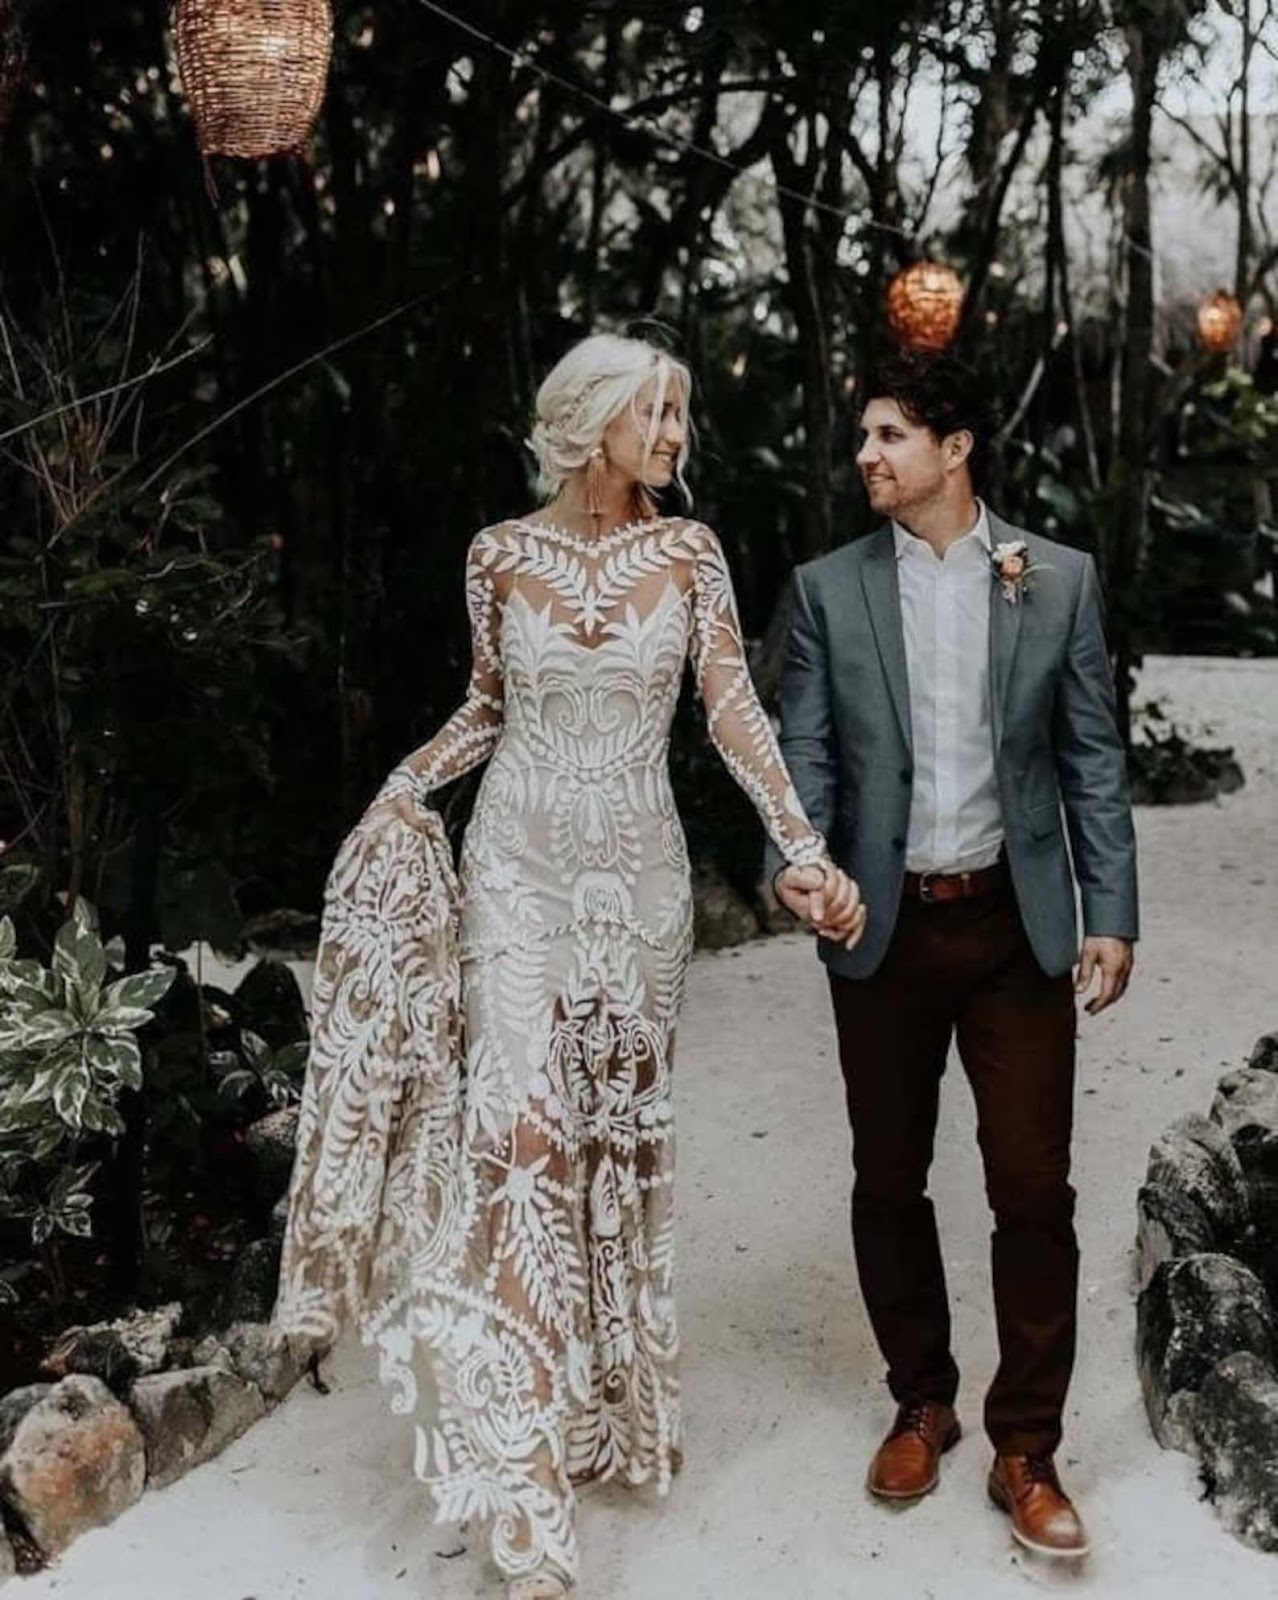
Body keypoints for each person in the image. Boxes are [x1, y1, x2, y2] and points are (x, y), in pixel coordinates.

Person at [273, 332, 865, 1599]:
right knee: (520, 1142)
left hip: (639, 893)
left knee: (612, 1143)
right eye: (660, 413)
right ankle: (525, 1485)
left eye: (681, 416)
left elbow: (730, 711)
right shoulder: (498, 555)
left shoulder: (690, 554)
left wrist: (802, 851)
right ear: (595, 419)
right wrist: (401, 786)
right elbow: (488, 705)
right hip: (519, 876)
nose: (676, 436)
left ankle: (601, 1409)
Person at [766, 348, 1138, 1560]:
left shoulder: (1059, 580)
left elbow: (1091, 755)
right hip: (881, 927)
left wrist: (1110, 910)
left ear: (956, 446)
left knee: (1034, 1185)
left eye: (888, 435)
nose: (865, 456)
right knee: (889, 1175)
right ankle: (920, 1398)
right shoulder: (826, 590)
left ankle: (1027, 1445)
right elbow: (804, 755)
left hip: (1013, 929)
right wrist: (800, 861)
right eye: (863, 437)